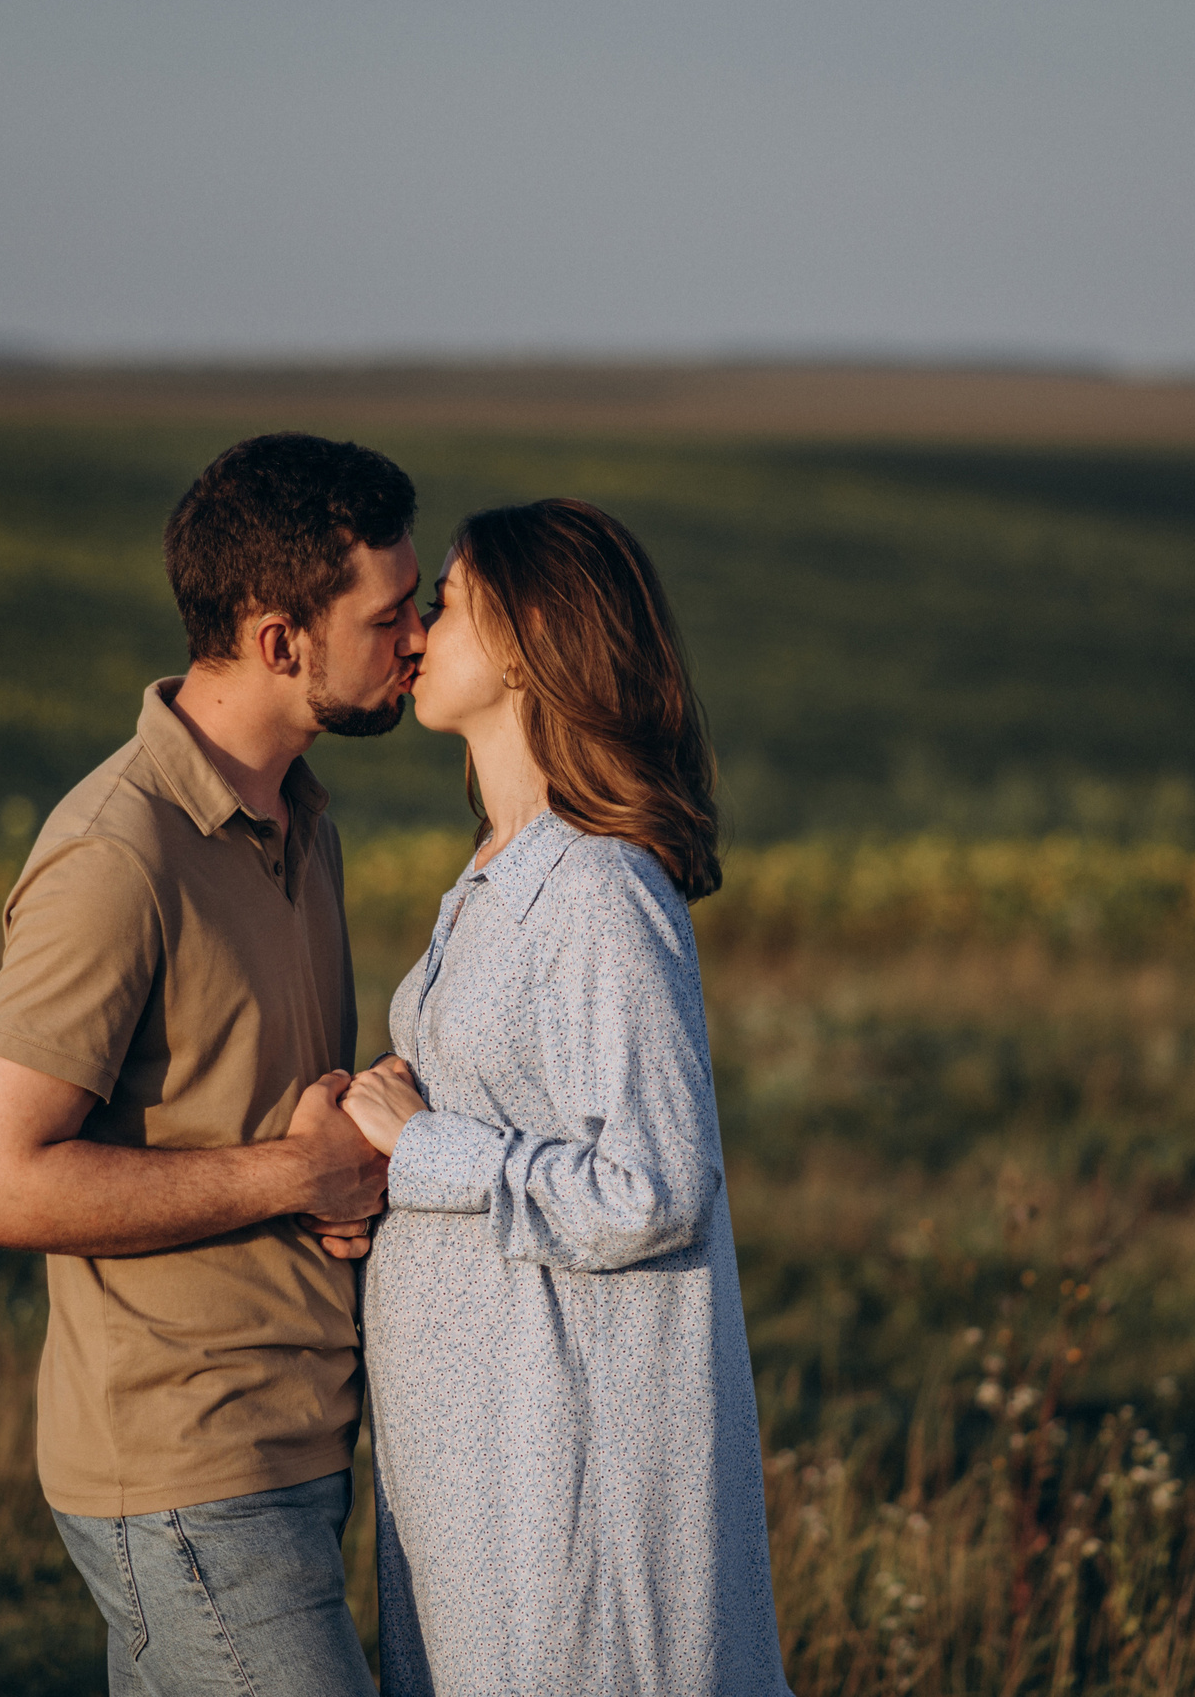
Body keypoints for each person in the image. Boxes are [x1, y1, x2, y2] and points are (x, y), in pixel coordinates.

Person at [0, 432, 424, 1697]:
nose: (417, 640)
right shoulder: (118, 854)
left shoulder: (302, 821)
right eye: (389, 617)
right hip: (185, 1470)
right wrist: (292, 1174)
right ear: (279, 639)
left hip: (296, 1451)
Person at [337, 499, 793, 1695]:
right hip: (481, 1460)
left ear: (532, 643)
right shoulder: (495, 874)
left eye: (447, 600)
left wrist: (421, 1148)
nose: (418, 627)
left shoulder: (596, 888)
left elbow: (651, 1188)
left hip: (560, 1471)